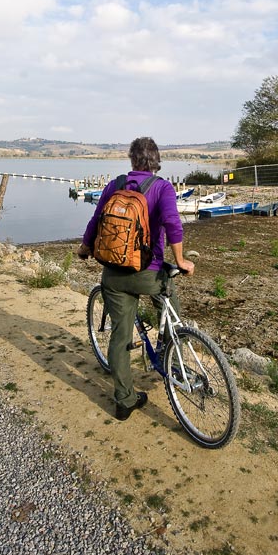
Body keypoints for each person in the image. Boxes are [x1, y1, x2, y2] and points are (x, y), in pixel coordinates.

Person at [78, 137, 194, 420]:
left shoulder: (115, 185)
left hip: (114, 275)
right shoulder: (162, 187)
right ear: (156, 162)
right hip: (148, 274)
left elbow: (96, 221)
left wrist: (85, 247)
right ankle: (170, 351)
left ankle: (124, 400)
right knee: (168, 298)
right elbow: (172, 223)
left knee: (119, 337)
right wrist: (180, 260)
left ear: (131, 160)